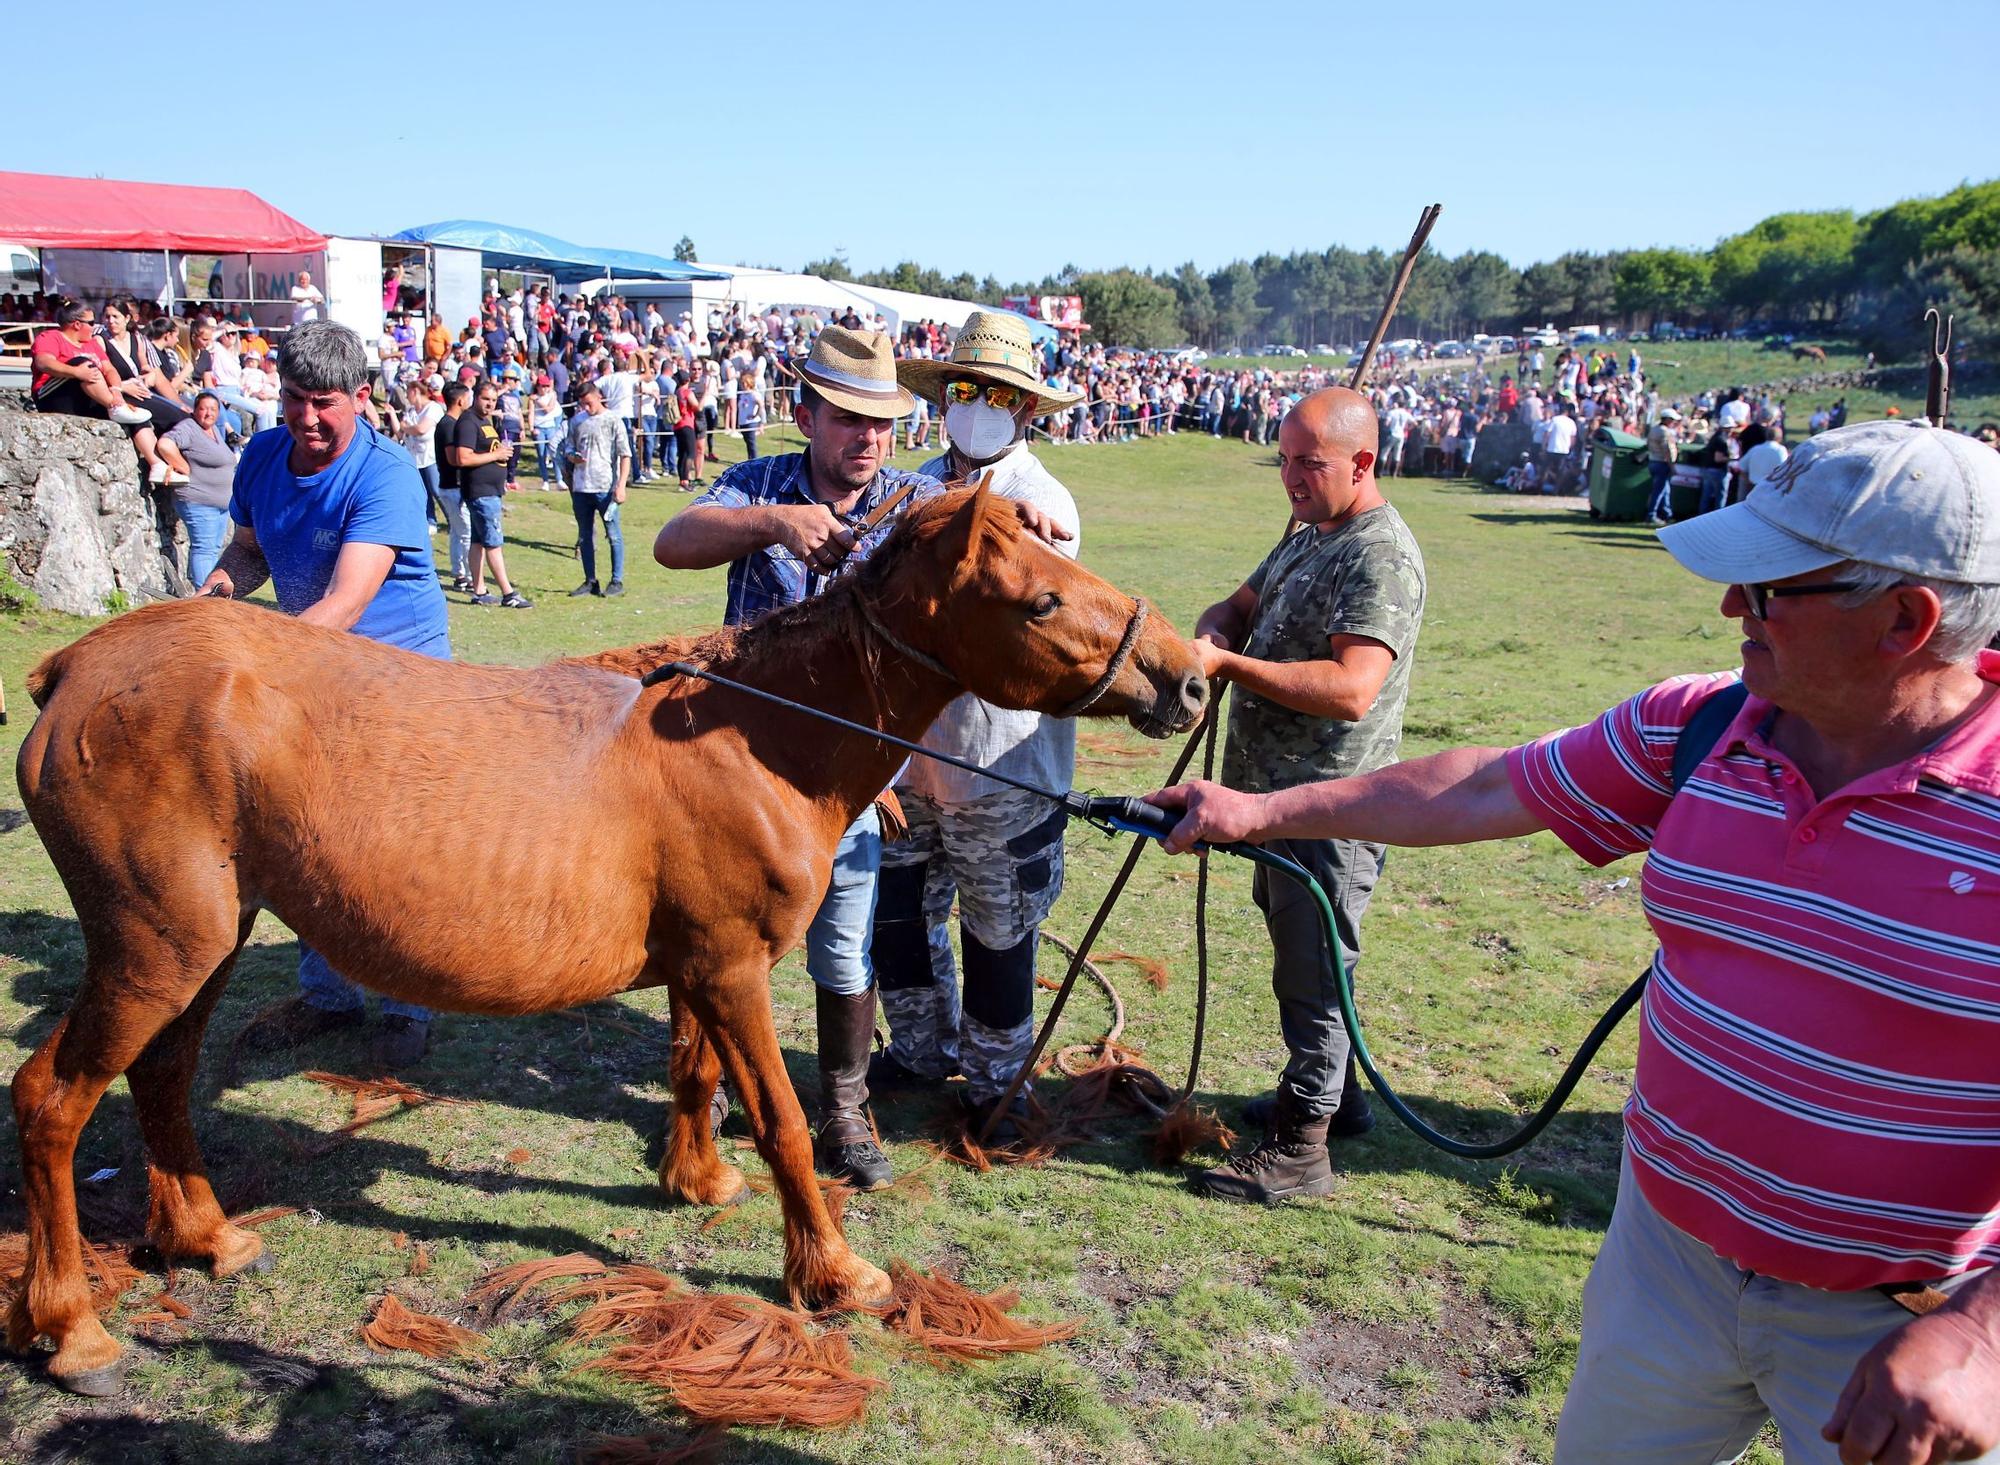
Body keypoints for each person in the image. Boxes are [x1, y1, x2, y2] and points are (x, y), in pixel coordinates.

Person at [1149, 419, 2000, 1463]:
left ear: (1905, 619)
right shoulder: (1699, 725)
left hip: (1904, 1330)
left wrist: (1981, 1333)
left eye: (1772, 588)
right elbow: (1487, 782)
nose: (1732, 606)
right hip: (1663, 1264)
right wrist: (1258, 812)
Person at [651, 326, 939, 1190]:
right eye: (850, 418)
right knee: (720, 937)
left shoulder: (911, 500)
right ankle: (712, 1090)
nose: (868, 438)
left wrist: (1028, 518)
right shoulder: (756, 483)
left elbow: (976, 544)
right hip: (740, 773)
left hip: (847, 785)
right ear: (805, 414)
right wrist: (770, 522)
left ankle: (844, 1110)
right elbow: (674, 539)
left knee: (844, 946)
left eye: (883, 421)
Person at [1183, 385, 1426, 1204]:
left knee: (1314, 972)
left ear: (1364, 463)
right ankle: (1336, 1096)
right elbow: (1240, 604)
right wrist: (1215, 632)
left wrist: (1233, 668)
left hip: (1330, 807)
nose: (1288, 477)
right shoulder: (1312, 533)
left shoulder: (1376, 555)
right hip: (1273, 802)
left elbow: (1355, 687)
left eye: (1307, 464)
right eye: (1282, 459)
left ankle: (1301, 1148)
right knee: (1308, 957)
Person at [205, 322, 450, 1069]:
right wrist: (213, 595)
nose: (306, 420)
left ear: (361, 397)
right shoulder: (261, 455)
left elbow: (344, 603)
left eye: (324, 403)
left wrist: (244, 664)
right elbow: (247, 552)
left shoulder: (387, 475)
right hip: (309, 672)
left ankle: (409, 1004)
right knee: (305, 834)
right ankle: (328, 994)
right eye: (292, 400)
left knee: (394, 843)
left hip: (394, 680)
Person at [867, 311, 1088, 1139]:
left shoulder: (1043, 504)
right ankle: (922, 1050)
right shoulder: (914, 489)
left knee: (1000, 929)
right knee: (898, 914)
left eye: (996, 395)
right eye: (964, 390)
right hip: (907, 760)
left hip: (1004, 769)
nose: (977, 407)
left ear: (1027, 411)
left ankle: (998, 1084)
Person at [450, 381, 533, 608]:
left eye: (493, 400)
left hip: (490, 490)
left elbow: (488, 451)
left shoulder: (484, 421)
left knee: (478, 543)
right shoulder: (468, 422)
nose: (489, 404)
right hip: (480, 493)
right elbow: (463, 458)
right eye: (485, 399)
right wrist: (496, 455)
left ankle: (479, 590)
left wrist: (500, 461)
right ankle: (508, 594)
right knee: (493, 543)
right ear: (476, 397)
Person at [30, 302, 157, 431]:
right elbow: (43, 363)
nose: (94, 326)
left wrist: (116, 390)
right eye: (91, 322)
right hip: (52, 395)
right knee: (82, 362)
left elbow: (109, 369)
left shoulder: (91, 342)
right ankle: (116, 407)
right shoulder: (50, 337)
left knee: (139, 423)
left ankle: (150, 449)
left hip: (87, 395)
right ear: (77, 324)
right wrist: (76, 372)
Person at [158, 392, 235, 586]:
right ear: (195, 409)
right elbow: (165, 444)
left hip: (220, 504)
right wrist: (182, 465)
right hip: (199, 501)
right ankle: (205, 598)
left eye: (213, 409)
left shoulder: (214, 431)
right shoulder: (189, 428)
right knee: (204, 549)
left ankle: (209, 594)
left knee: (213, 548)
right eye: (203, 408)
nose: (208, 413)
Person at [564, 379, 628, 598]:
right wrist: (573, 457)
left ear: (598, 396)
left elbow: (624, 454)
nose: (586, 408)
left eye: (589, 402)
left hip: (605, 487)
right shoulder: (576, 421)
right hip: (582, 486)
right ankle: (590, 580)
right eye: (582, 404)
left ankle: (616, 580)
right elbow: (569, 449)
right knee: (585, 536)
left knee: (613, 534)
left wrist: (621, 486)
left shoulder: (613, 420)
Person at [1645, 408, 1683, 525]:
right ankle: (1651, 514)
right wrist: (1672, 466)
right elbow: (1668, 450)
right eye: (1672, 420)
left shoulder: (1654, 429)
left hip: (1653, 461)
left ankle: (1667, 513)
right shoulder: (1665, 432)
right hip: (1662, 463)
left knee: (1664, 489)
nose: (1674, 423)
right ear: (1667, 420)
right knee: (1659, 491)